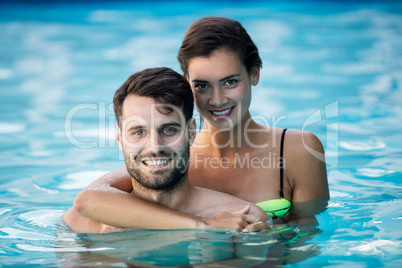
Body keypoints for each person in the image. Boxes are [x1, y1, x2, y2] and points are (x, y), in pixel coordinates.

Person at [72, 16, 330, 230]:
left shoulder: (299, 150)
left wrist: (267, 240)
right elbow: (91, 199)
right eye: (202, 85)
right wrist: (202, 224)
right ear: (187, 83)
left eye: (230, 82)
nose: (217, 100)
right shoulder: (172, 153)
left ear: (254, 74)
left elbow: (310, 232)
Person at [63, 67, 268, 233]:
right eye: (138, 132)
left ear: (191, 132)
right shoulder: (85, 222)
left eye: (169, 130)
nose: (155, 147)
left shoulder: (242, 219)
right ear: (119, 137)